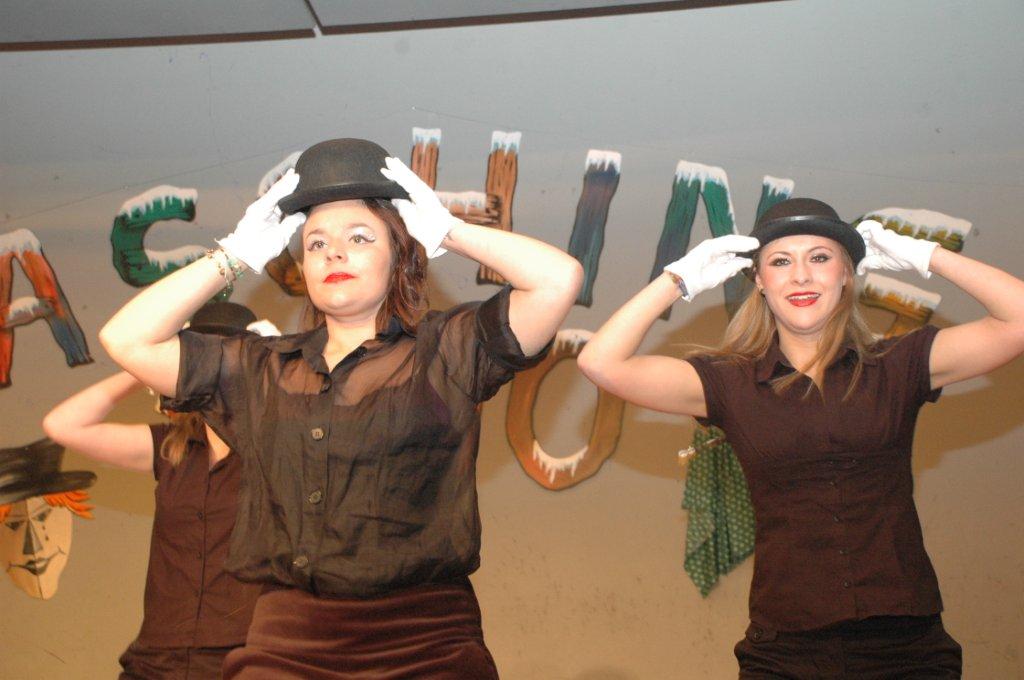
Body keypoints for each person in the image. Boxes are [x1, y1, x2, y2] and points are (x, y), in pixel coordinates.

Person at [98, 138, 583, 678]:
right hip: (287, 644)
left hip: (427, 645)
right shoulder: (259, 369)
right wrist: (234, 255)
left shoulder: (447, 350)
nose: (334, 253)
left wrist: (448, 232)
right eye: (316, 243)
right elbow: (126, 340)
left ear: (399, 255)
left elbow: (557, 280)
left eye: (359, 237)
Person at [577, 197, 1024, 678]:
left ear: (846, 274)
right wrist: (676, 281)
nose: (801, 277)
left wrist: (927, 256)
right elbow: (600, 362)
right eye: (781, 262)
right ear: (759, 281)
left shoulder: (897, 366)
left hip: (907, 649)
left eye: (820, 257)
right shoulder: (728, 383)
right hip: (786, 652)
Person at [44, 302, 268, 679]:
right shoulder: (171, 446)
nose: (209, 370)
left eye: (221, 357)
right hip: (157, 658)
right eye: (197, 358)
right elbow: (63, 425)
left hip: (244, 659)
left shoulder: (277, 449)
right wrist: (144, 366)